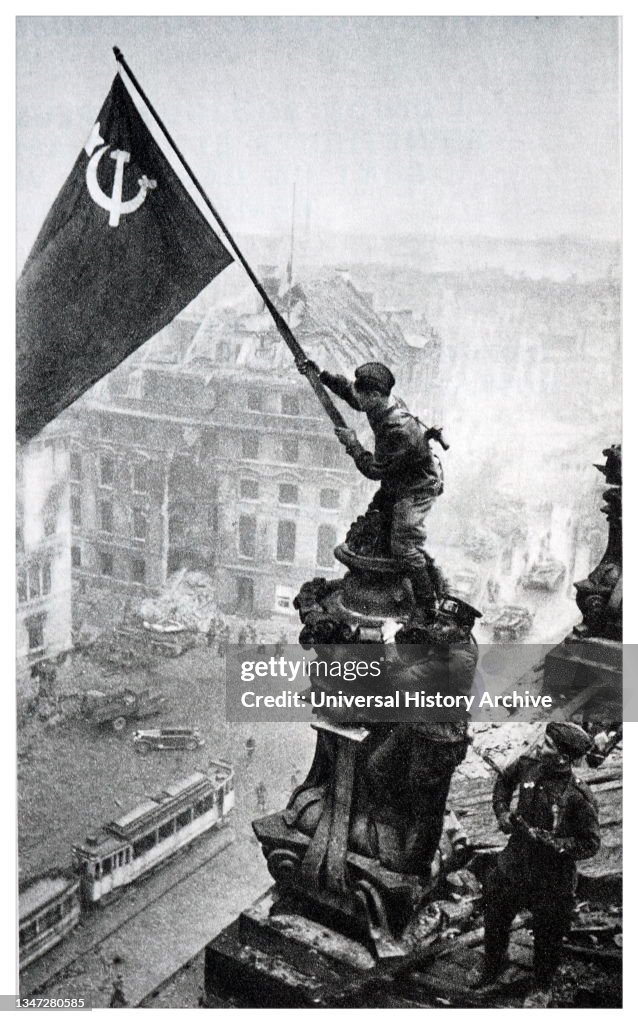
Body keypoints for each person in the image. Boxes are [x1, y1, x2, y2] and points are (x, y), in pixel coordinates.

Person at [298, 358, 444, 623]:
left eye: (363, 396)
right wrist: (321, 375)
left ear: (376, 395)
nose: (358, 400)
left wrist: (353, 444)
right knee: (373, 524)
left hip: (417, 487)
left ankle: (427, 605)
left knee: (404, 545)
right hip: (398, 478)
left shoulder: (398, 429)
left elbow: (374, 470)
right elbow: (351, 395)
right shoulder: (382, 402)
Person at [470, 722, 600, 1007]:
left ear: (564, 758)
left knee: (548, 933)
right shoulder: (529, 765)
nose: (541, 747)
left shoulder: (578, 797)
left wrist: (559, 844)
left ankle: (541, 986)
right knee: (495, 913)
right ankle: (493, 966)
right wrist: (503, 812)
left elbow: (591, 843)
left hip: (552, 876)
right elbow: (504, 782)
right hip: (515, 862)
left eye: (549, 746)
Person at [367, 595, 481, 877]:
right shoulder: (460, 641)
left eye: (445, 624)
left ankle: (414, 869)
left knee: (428, 809)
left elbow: (398, 677)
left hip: (438, 742)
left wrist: (389, 639)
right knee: (377, 767)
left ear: (462, 630)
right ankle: (398, 827)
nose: (437, 628)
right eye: (438, 621)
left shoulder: (455, 661)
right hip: (420, 724)